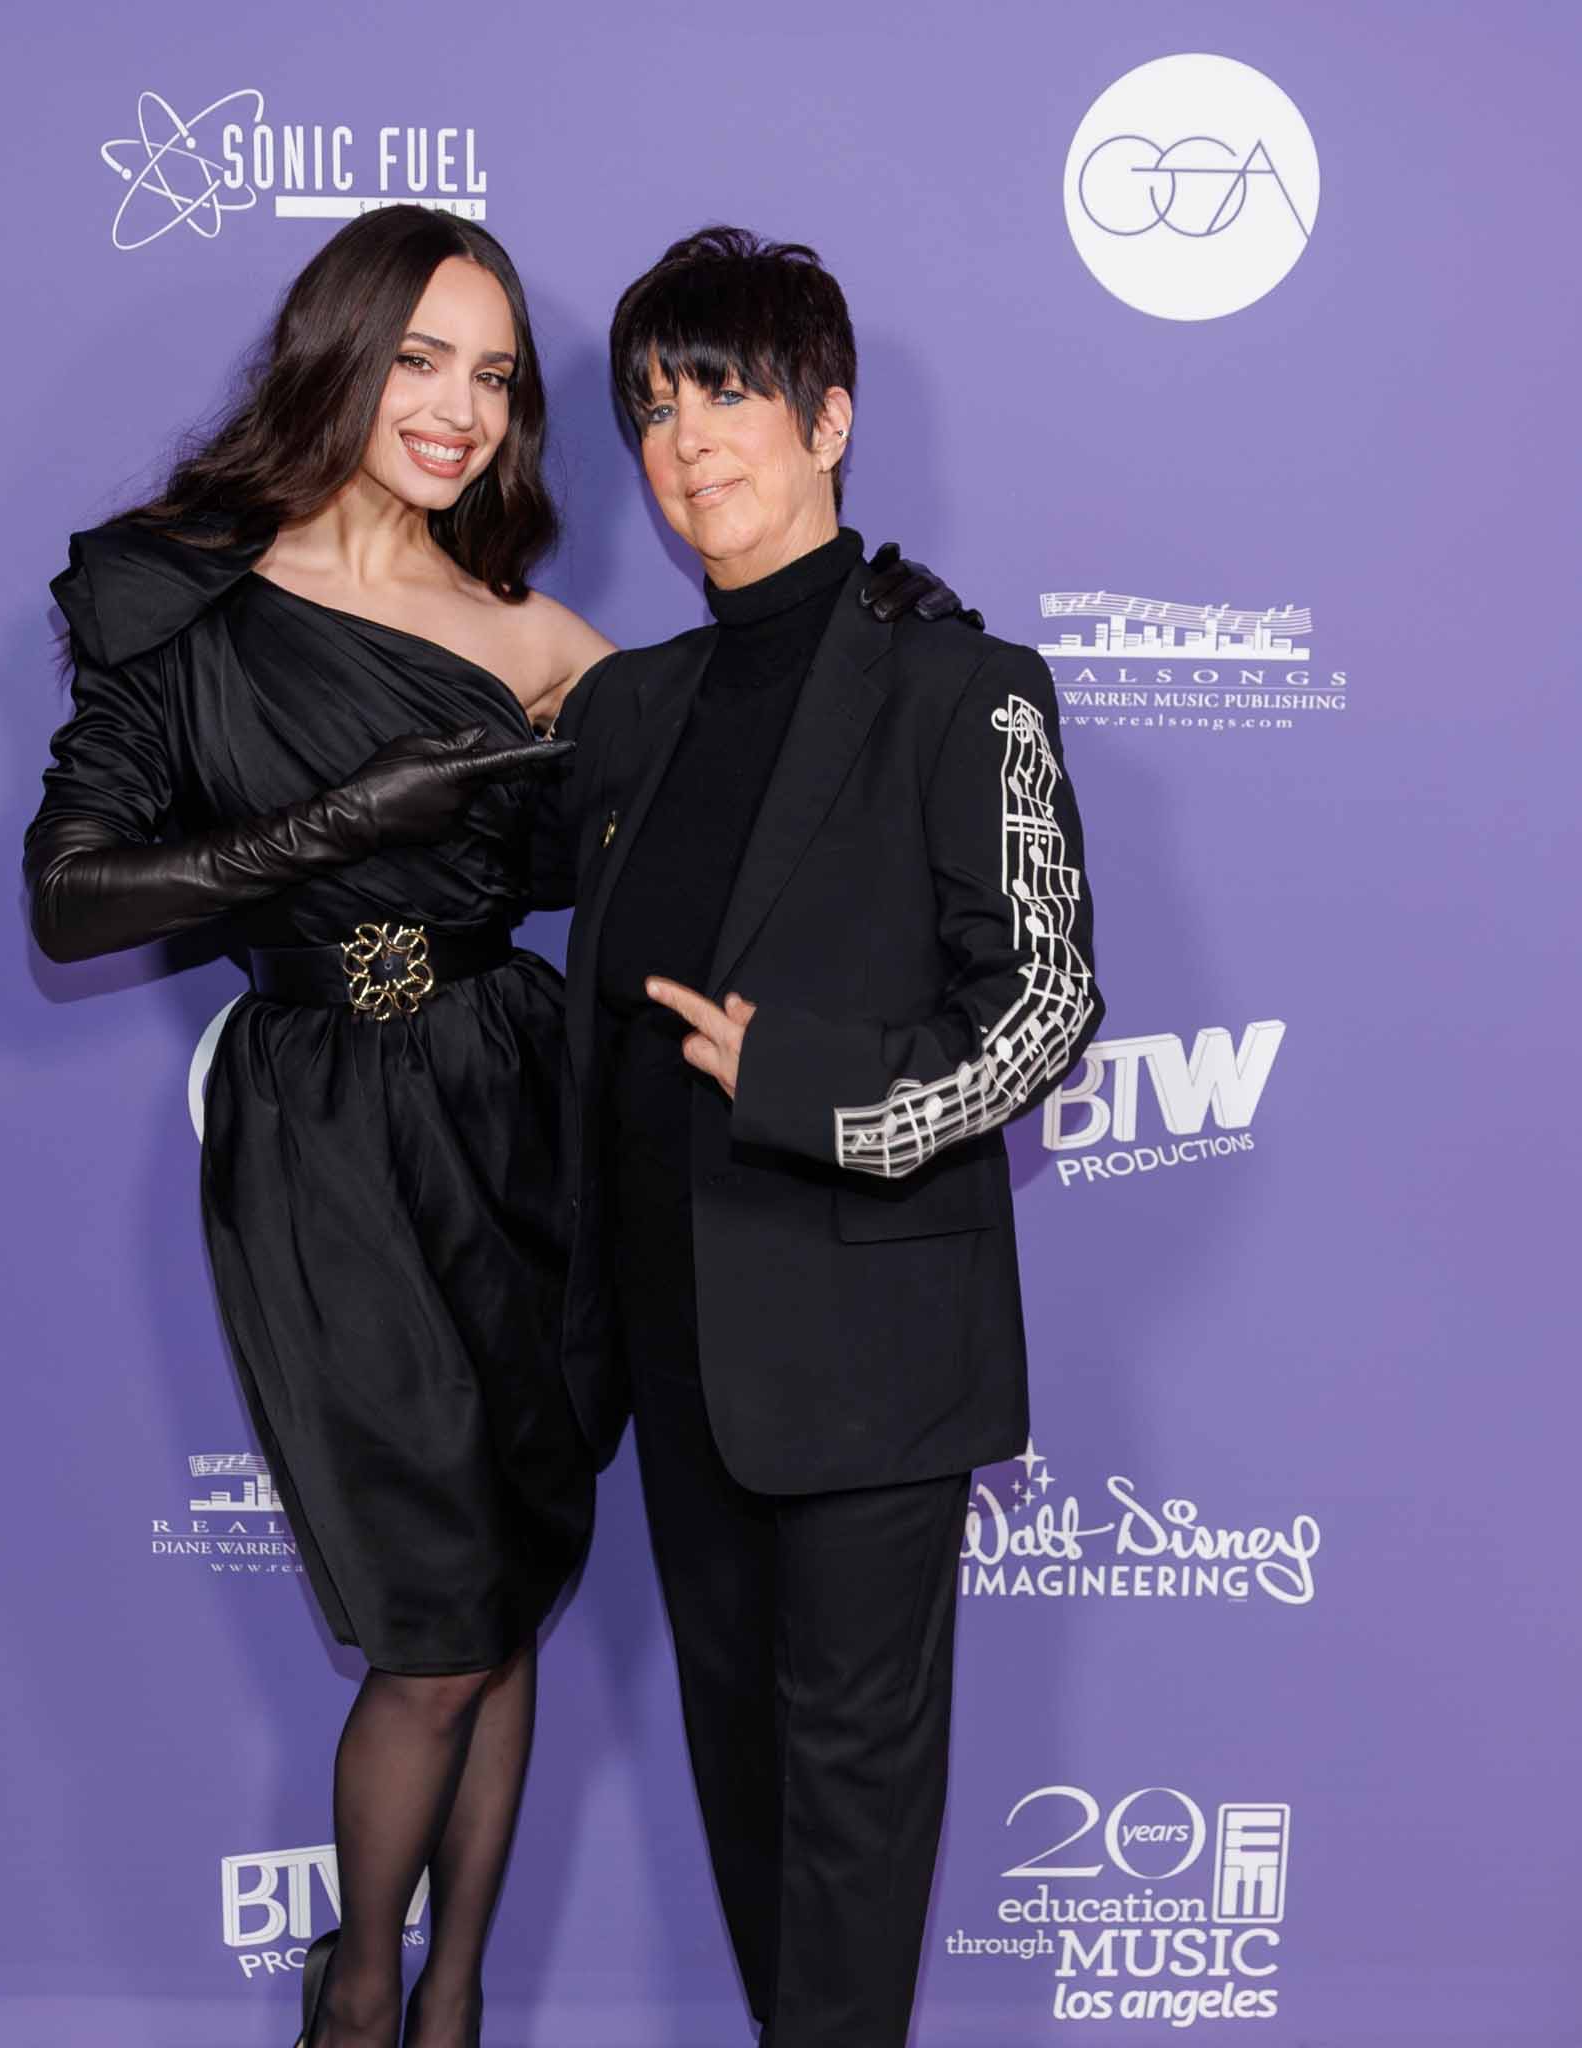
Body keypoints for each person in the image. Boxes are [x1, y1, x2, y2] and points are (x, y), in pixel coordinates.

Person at [22, 206, 944, 2048]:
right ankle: (360, 1998)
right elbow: (73, 898)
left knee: (508, 1585)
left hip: (514, 1114)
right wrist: (353, 815)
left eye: (498, 378)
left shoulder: (533, 637)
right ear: (335, 353)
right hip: (320, 1130)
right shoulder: (182, 594)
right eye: (420, 359)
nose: (458, 408)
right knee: (435, 1624)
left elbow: (735, 755)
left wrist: (874, 639)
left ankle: (450, 2006)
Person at [533, 227, 1104, 2047]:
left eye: (725, 393)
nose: (687, 439)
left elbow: (1045, 1005)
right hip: (672, 1345)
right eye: (652, 408)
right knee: (743, 1784)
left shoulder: (963, 687)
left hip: (867, 1346)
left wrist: (805, 1081)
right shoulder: (630, 710)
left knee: (850, 1801)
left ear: (828, 418)